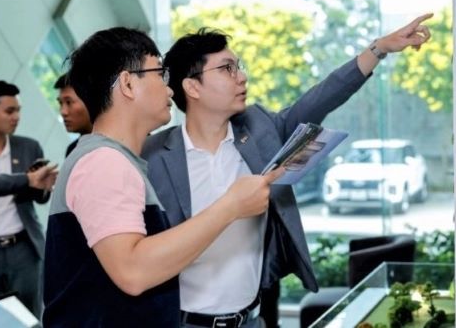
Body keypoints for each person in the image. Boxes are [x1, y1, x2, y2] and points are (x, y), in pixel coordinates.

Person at [141, 13, 432, 327]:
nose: (242, 76)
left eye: (238, 66)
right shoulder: (154, 155)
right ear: (192, 87)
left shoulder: (258, 130)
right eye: (227, 69)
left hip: (252, 320)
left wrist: (379, 49)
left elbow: (320, 99)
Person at [42, 27, 282, 327]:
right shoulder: (104, 162)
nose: (170, 89)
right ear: (128, 83)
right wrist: (231, 206)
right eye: (160, 74)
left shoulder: (118, 161)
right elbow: (133, 271)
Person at [0, 80, 57, 319]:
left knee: (31, 317)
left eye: (18, 110)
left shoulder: (29, 147)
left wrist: (44, 187)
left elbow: (39, 198)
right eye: (9, 111)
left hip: (24, 250)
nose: (16, 117)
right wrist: (28, 179)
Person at [53, 73, 92, 156]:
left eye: (69, 102)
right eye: (60, 103)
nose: (63, 112)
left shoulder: (117, 140)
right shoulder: (72, 151)